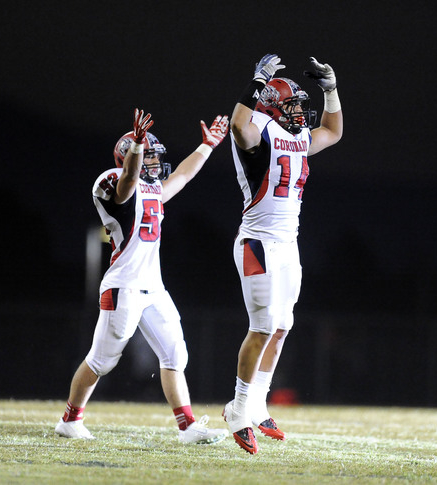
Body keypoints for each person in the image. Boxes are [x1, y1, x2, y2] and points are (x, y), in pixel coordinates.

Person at [55, 108, 230, 444]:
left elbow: (182, 175)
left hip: (153, 287)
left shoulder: (153, 190)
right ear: (129, 157)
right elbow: (126, 186)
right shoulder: (111, 183)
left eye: (153, 155)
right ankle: (70, 419)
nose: (154, 162)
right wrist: (136, 146)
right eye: (148, 156)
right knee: (102, 360)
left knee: (175, 354)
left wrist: (207, 145)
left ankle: (188, 426)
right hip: (123, 286)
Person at [223, 54, 343, 454]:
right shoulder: (260, 130)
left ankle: (258, 403)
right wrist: (256, 80)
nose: (298, 113)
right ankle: (237, 410)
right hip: (257, 241)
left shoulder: (296, 137)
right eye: (291, 105)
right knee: (262, 326)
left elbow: (333, 130)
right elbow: (239, 124)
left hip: (287, 245)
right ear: (272, 106)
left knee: (282, 325)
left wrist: (331, 90)